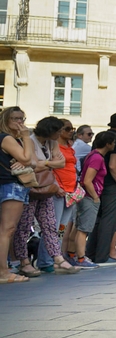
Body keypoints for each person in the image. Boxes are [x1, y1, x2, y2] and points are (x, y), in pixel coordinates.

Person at [13, 116, 79, 276]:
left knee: (50, 225)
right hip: (31, 188)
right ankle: (23, 260)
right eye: (59, 130)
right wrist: (50, 163)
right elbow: (31, 163)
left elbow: (60, 163)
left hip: (47, 188)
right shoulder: (30, 140)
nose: (61, 134)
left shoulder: (52, 143)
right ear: (50, 131)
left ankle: (57, 258)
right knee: (24, 226)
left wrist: (44, 164)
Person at [87, 113, 116, 265]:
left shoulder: (101, 136)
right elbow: (113, 164)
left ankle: (91, 253)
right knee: (110, 220)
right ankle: (103, 256)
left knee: (98, 219)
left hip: (98, 182)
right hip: (111, 184)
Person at [0, 107, 36, 283]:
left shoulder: (11, 139)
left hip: (8, 185)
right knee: (7, 229)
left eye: (22, 118)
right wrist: (27, 137)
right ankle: (3, 272)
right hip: (11, 186)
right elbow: (28, 159)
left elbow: (33, 161)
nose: (19, 122)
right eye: (15, 118)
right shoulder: (7, 138)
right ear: (6, 120)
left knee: (5, 230)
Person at [70, 131, 115, 270]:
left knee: (78, 227)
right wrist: (95, 197)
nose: (114, 145)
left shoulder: (92, 155)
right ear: (108, 144)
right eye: (113, 142)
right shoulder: (98, 158)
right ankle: (81, 258)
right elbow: (88, 180)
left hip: (84, 195)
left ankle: (72, 255)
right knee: (84, 229)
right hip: (90, 196)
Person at [53, 119, 79, 261]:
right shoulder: (54, 146)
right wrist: (56, 186)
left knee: (62, 226)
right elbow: (51, 168)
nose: (71, 131)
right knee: (55, 226)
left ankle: (58, 254)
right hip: (59, 190)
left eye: (72, 128)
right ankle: (49, 258)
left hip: (71, 191)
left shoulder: (70, 146)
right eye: (68, 129)